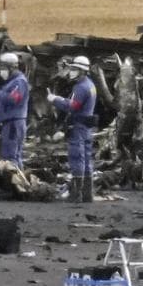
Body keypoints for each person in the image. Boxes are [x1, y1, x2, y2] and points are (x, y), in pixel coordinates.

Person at [47, 55, 97, 203]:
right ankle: (87, 194)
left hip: (78, 127)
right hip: (86, 127)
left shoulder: (80, 87)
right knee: (87, 159)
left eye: (74, 69)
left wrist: (54, 99)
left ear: (82, 71)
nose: (71, 72)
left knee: (77, 158)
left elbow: (73, 106)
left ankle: (76, 194)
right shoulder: (90, 84)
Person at [0, 52, 29, 169]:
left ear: (11, 67)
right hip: (10, 124)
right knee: (12, 156)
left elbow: (12, 99)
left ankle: (15, 185)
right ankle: (19, 183)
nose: (0, 71)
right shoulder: (13, 82)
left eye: (2, 68)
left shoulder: (19, 82)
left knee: (10, 157)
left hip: (13, 125)